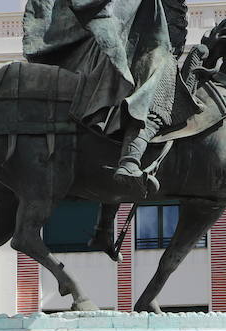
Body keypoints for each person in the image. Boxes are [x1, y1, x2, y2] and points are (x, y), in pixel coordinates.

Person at [22, 0, 192, 193]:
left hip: (118, 27)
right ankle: (131, 156)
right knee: (160, 61)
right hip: (107, 31)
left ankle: (108, 215)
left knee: (159, 55)